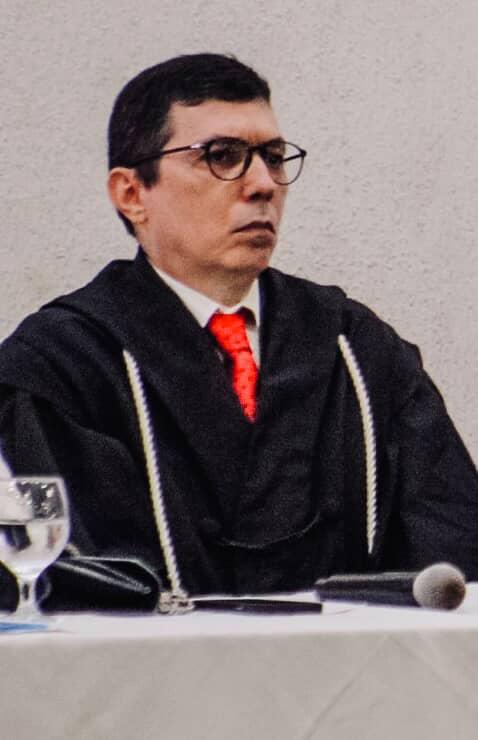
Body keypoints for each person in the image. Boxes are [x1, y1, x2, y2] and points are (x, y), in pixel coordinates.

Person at [0, 53, 476, 612]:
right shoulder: (63, 365)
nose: (263, 185)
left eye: (273, 158)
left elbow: (453, 558)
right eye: (222, 156)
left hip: (354, 665)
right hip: (152, 666)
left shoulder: (358, 350)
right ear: (132, 193)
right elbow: (65, 581)